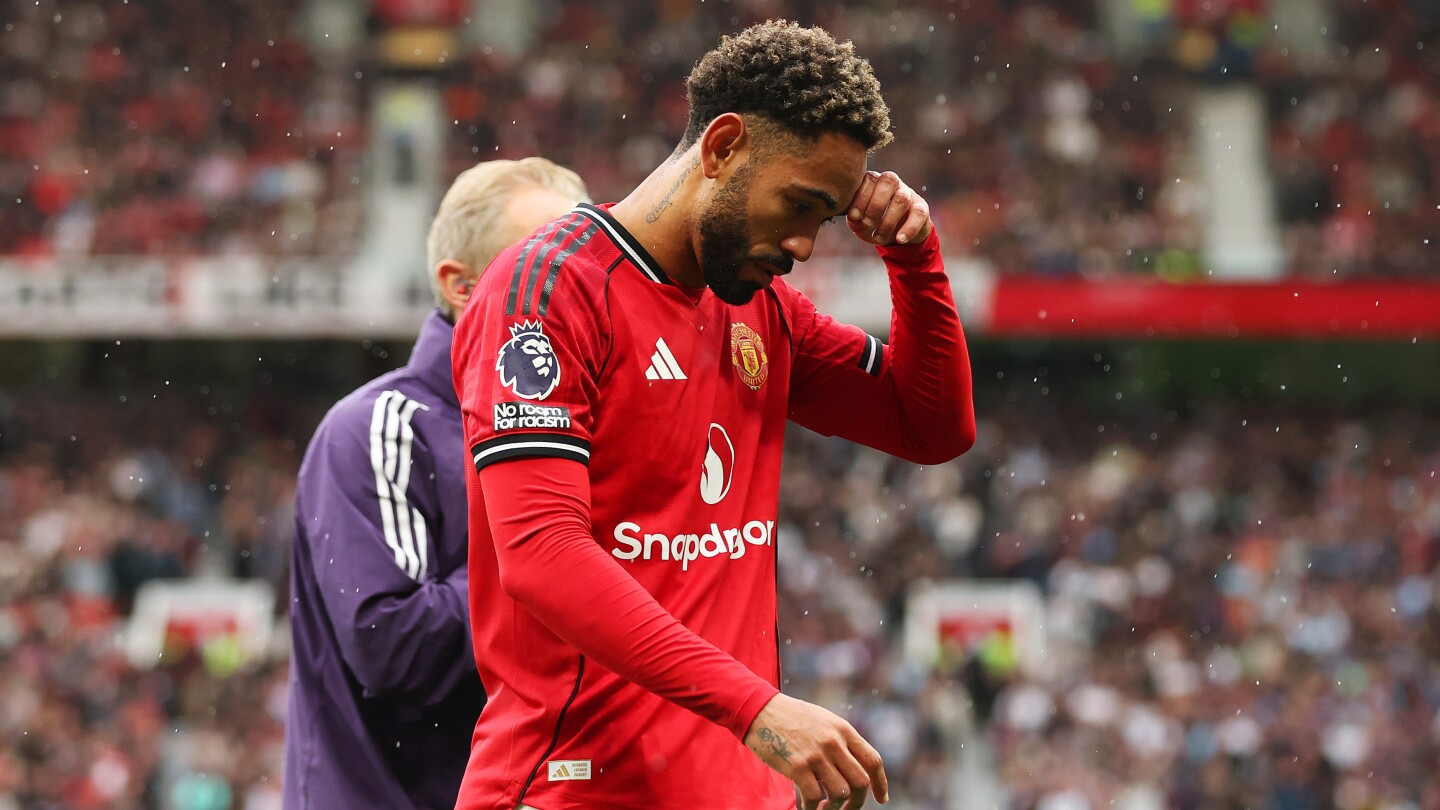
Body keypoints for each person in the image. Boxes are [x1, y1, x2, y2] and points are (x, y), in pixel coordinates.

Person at [452, 21, 976, 810]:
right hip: (578, 792)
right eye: (799, 205)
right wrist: (755, 707)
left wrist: (915, 258)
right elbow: (542, 553)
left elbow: (930, 428)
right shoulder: (549, 289)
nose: (804, 245)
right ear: (723, 147)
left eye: (826, 220)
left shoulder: (765, 310)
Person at [284, 158, 588, 810]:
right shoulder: (378, 429)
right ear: (461, 287)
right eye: (542, 270)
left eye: (585, 268)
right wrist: (550, 554)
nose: (576, 293)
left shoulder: (587, 431)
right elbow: (392, 647)